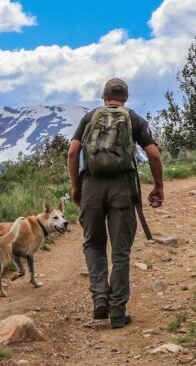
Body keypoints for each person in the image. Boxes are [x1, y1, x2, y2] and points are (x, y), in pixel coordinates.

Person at [68, 78, 164, 328]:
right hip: (122, 188)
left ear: (103, 97)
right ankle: (118, 311)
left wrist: (76, 187)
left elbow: (73, 151)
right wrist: (158, 186)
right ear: (126, 98)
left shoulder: (90, 117)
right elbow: (154, 155)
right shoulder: (134, 119)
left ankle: (100, 297)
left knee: (93, 244)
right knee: (120, 252)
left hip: (92, 187)